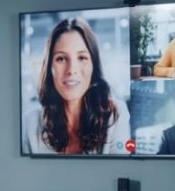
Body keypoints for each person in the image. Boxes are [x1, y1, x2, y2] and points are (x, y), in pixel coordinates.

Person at [22, 17, 130, 155]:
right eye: (61, 58)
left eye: (82, 58)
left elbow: (119, 171)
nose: (71, 69)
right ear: (49, 67)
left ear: (93, 65)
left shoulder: (116, 114)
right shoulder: (30, 124)